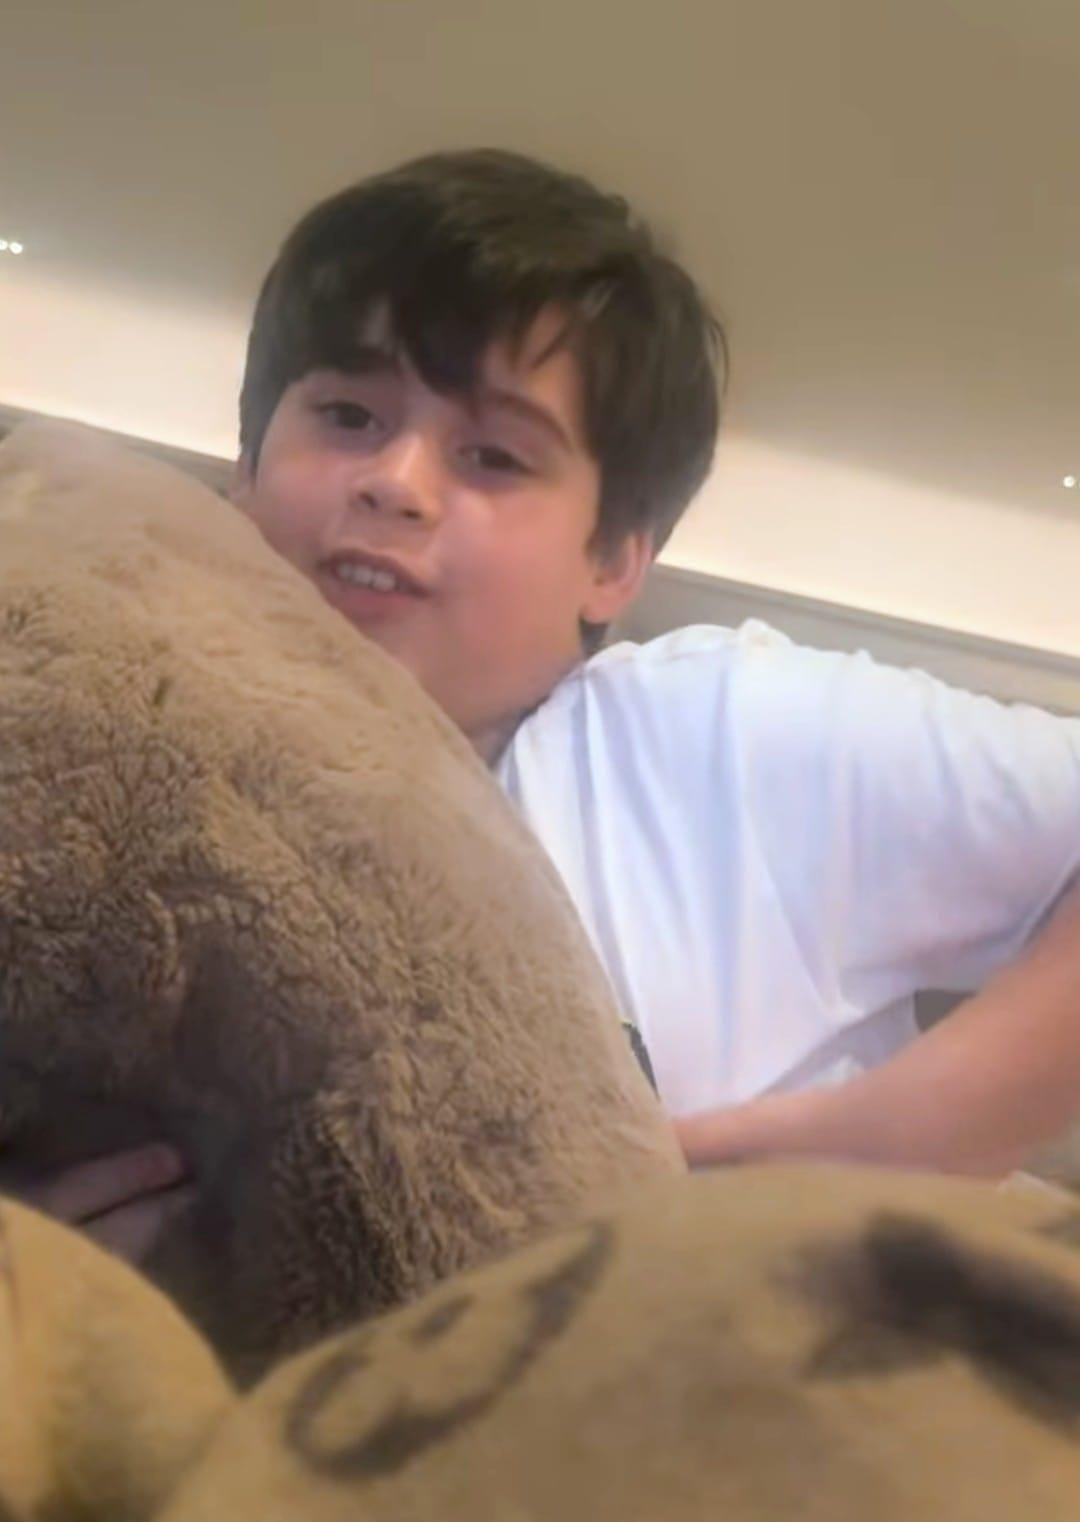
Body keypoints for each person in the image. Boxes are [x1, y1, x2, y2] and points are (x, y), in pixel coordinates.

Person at [20, 149, 1080, 1263]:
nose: (396, 482)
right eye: (348, 414)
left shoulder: (716, 734)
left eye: (493, 455)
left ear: (615, 561)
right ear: (245, 471)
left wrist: (915, 1129)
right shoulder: (96, 764)